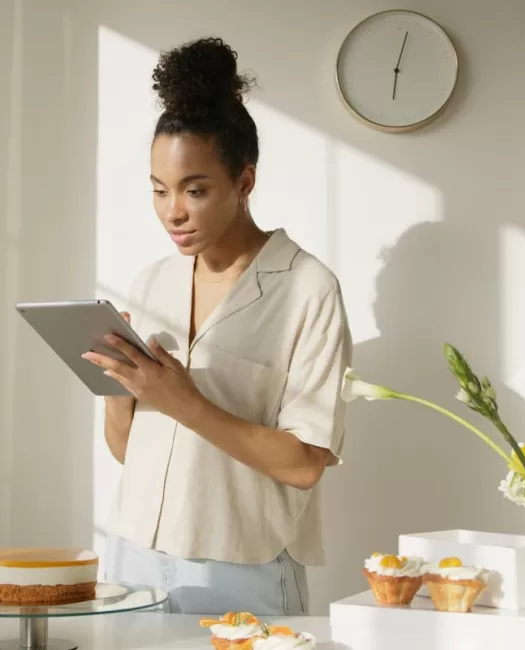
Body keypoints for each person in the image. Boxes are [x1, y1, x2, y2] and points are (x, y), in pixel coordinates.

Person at [82, 37, 352, 616]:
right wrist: (118, 393)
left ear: (244, 182)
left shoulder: (308, 289)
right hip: (133, 555)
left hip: (242, 566)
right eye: (158, 191)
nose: (172, 211)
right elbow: (130, 451)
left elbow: (305, 465)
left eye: (194, 190)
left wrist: (182, 400)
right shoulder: (152, 282)